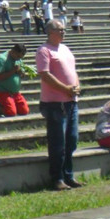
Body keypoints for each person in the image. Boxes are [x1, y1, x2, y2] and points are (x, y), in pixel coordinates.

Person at [36, 19, 81, 191]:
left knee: (72, 140)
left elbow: (73, 70)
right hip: (55, 103)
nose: (63, 32)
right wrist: (66, 89)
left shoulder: (65, 48)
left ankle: (68, 175)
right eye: (60, 30)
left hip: (71, 101)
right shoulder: (44, 51)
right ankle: (57, 177)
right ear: (50, 32)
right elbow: (45, 75)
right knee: (58, 142)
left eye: (64, 29)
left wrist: (77, 85)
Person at [0, 44, 30, 116]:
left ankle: (6, 105)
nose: (19, 59)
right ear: (13, 51)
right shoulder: (2, 59)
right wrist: (13, 71)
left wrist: (21, 73)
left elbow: (22, 75)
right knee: (11, 112)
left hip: (15, 92)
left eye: (21, 57)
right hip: (3, 91)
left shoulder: (18, 59)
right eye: (18, 56)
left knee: (24, 111)